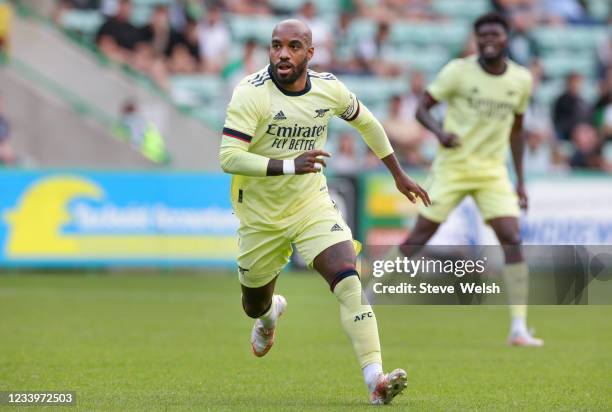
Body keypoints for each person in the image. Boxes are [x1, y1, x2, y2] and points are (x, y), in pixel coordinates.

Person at [219, 19, 430, 405]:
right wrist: (287, 164)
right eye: (276, 45)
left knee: (349, 280)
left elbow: (367, 122)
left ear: (310, 53)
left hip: (311, 205)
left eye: (294, 46)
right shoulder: (251, 94)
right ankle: (268, 317)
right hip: (260, 218)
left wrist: (398, 173)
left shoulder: (329, 89)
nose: (283, 54)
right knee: (253, 305)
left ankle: (375, 381)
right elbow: (228, 157)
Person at [397, 12, 544, 347]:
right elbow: (421, 108)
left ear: (507, 38)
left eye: (495, 34)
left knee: (512, 237)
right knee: (420, 235)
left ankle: (519, 327)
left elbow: (518, 131)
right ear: (476, 40)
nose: (489, 40)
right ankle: (372, 294)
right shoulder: (458, 71)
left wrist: (520, 181)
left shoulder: (521, 80)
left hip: (493, 171)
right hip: (454, 167)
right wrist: (440, 133)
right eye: (482, 36)